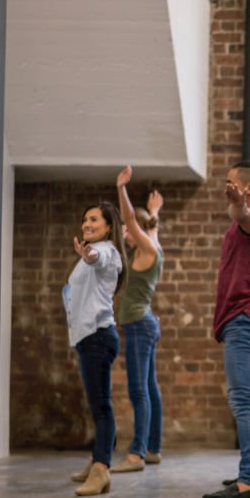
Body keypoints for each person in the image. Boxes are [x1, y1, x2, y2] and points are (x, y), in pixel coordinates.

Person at [202, 161, 250, 498]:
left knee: (244, 401)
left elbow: (245, 217)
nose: (227, 185)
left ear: (248, 188)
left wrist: (238, 206)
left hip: (245, 320)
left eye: (232, 182)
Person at [65, 202, 127, 496]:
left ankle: (102, 469)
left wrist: (90, 255)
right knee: (97, 406)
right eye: (84, 219)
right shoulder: (97, 251)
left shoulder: (106, 251)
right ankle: (96, 461)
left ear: (108, 226)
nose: (86, 224)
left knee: (102, 407)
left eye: (93, 220)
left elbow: (98, 259)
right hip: (90, 338)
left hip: (97, 337)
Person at [113, 166, 165, 472]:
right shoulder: (152, 244)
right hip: (145, 324)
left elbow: (132, 220)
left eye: (129, 232)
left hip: (138, 325)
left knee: (139, 391)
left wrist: (122, 189)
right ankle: (153, 448)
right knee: (150, 388)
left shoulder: (147, 249)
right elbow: (148, 225)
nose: (125, 234)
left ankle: (136, 454)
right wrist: (155, 212)